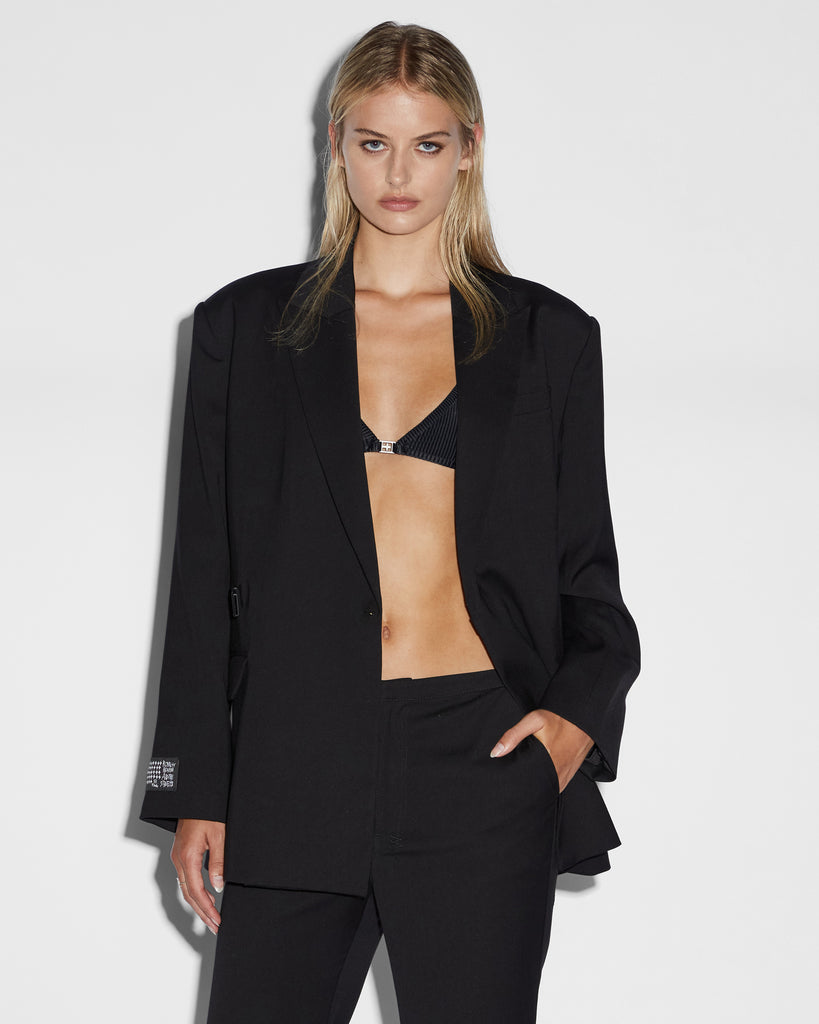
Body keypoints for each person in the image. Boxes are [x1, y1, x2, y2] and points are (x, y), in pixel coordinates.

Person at [140, 20, 641, 1024]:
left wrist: (570, 725)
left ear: (470, 147)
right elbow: (203, 576)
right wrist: (194, 787)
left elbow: (587, 579)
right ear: (336, 144)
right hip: (295, 757)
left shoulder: (548, 339)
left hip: (479, 760)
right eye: (373, 142)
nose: (399, 173)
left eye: (427, 143)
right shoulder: (245, 329)